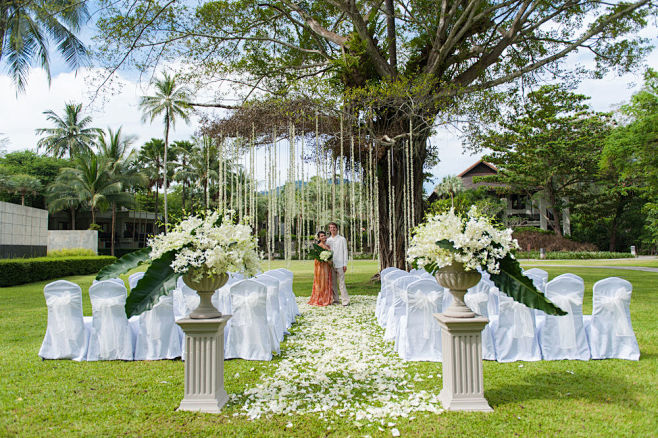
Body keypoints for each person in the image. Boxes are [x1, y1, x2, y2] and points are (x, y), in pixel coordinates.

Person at [326, 222, 350, 306]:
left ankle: (345, 300)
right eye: (331, 228)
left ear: (337, 228)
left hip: (340, 264)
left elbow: (345, 251)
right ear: (329, 229)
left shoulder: (342, 239)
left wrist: (345, 264)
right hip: (331, 264)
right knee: (333, 284)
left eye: (334, 227)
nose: (332, 229)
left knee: (342, 283)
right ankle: (335, 300)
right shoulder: (328, 240)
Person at [308, 231, 333, 306]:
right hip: (321, 268)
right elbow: (316, 259)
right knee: (320, 283)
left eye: (324, 235)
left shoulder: (328, 246)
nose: (324, 237)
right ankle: (320, 299)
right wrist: (323, 259)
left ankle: (326, 298)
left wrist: (328, 260)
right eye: (321, 236)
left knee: (326, 282)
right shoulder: (318, 246)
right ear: (319, 238)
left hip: (327, 267)